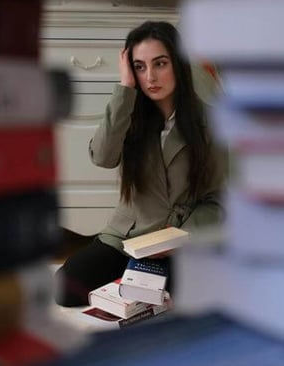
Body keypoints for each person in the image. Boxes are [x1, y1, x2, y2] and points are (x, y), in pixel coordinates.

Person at [55, 21, 226, 307]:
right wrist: (124, 90)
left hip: (178, 240)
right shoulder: (129, 112)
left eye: (160, 64)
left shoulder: (210, 122)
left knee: (182, 299)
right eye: (140, 66)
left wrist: (178, 238)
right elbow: (102, 156)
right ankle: (130, 278)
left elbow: (217, 200)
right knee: (65, 290)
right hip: (126, 237)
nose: (150, 77)